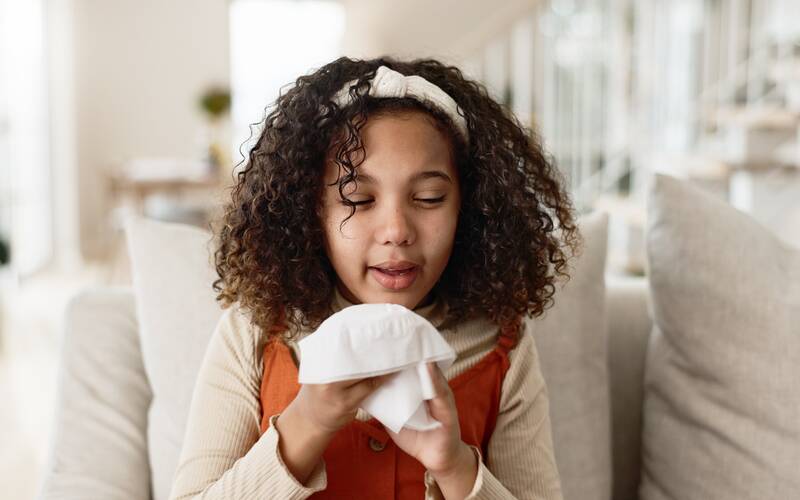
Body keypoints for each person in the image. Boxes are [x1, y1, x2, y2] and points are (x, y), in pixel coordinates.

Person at [168, 56, 580, 500]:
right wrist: (307, 424)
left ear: (470, 207)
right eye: (360, 199)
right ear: (312, 210)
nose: (397, 231)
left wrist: (455, 465)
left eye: (429, 197)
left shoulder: (502, 341)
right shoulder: (254, 330)